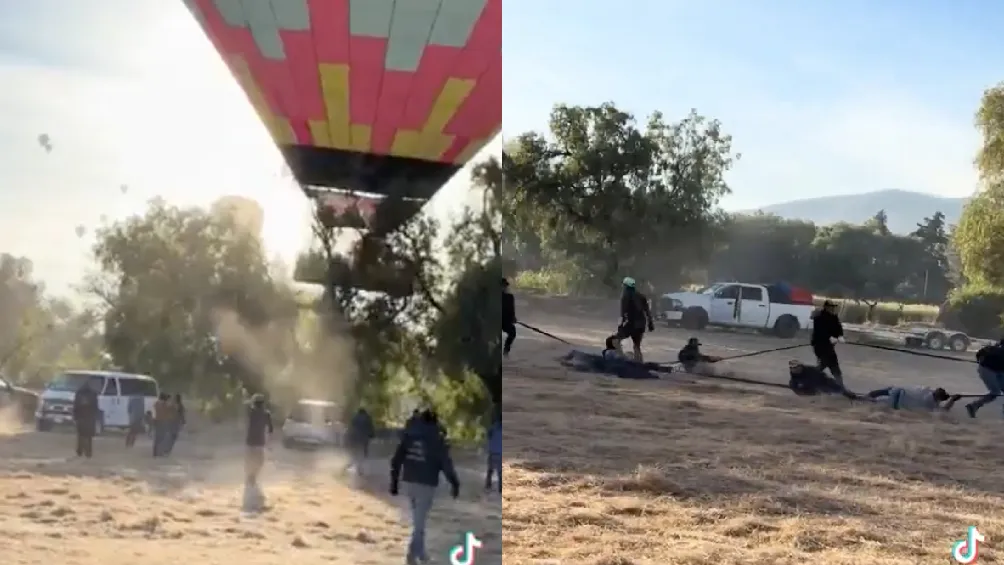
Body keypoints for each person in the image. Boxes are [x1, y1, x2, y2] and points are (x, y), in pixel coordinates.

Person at [390, 409, 460, 565]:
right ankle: (411, 556)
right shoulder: (437, 439)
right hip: (426, 484)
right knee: (419, 523)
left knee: (418, 521)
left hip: (409, 482)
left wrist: (394, 481)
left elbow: (396, 460)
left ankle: (421, 554)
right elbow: (446, 464)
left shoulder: (409, 435)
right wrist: (454, 483)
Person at [605, 277, 655, 362]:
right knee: (636, 346)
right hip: (641, 324)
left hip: (631, 324)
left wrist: (620, 326)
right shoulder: (641, 296)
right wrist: (650, 323)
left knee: (614, 340)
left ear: (625, 286)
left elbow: (623, 313)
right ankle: (639, 363)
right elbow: (647, 312)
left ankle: (620, 359)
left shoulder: (625, 296)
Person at [244, 394, 274, 512]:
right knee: (259, 463)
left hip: (250, 443)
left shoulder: (251, 412)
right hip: (260, 443)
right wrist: (270, 444)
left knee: (250, 463)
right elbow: (271, 430)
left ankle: (250, 480)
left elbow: (245, 406)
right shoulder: (266, 414)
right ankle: (253, 480)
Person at [965, 339, 1004, 418]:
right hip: (987, 370)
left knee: (997, 392)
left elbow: (979, 353)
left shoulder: (993, 348)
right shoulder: (996, 350)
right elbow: (980, 354)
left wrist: (979, 359)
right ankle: (974, 406)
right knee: (995, 392)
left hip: (997, 370)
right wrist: (981, 360)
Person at [811, 300, 845, 387]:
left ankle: (810, 378)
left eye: (834, 307)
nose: (833, 308)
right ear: (826, 307)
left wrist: (840, 336)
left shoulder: (834, 317)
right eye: (831, 306)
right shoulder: (819, 317)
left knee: (826, 363)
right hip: (819, 345)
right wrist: (829, 337)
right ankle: (840, 386)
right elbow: (819, 331)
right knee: (831, 362)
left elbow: (838, 328)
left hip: (829, 346)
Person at [864, 386, 961, 412]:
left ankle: (858, 399)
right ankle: (860, 398)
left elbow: (943, 411)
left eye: (941, 392)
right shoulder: (929, 392)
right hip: (897, 390)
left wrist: (952, 400)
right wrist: (951, 398)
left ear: (938, 397)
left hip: (896, 400)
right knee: (872, 394)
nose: (941, 389)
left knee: (871, 400)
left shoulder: (930, 402)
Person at [788, 360, 855, 398]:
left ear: (800, 366)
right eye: (791, 368)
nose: (793, 369)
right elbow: (795, 387)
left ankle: (852, 396)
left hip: (824, 382)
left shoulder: (811, 370)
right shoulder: (794, 376)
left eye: (795, 367)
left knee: (838, 388)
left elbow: (822, 377)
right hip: (812, 389)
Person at [72, 382, 99, 458]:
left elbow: (75, 406)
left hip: (81, 417)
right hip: (90, 418)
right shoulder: (93, 394)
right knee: (89, 436)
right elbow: (95, 407)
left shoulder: (79, 394)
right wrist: (95, 417)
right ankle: (88, 452)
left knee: (80, 436)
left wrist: (75, 417)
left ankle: (80, 451)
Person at [345, 407, 375, 476]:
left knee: (355, 452)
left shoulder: (355, 417)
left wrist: (348, 436)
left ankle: (352, 465)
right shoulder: (367, 418)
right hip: (364, 438)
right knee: (363, 452)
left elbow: (351, 428)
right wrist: (372, 435)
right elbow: (370, 427)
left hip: (354, 437)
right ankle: (360, 468)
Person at [485, 411, 502, 494]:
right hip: (500, 453)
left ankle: (488, 486)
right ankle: (501, 489)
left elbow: (488, 435)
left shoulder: (493, 427)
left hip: (492, 451)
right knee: (500, 472)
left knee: (490, 470)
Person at [502, 278, 516, 358]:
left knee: (512, 333)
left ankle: (506, 351)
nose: (504, 288)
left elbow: (512, 309)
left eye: (505, 286)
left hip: (506, 321)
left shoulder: (510, 297)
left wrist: (513, 317)